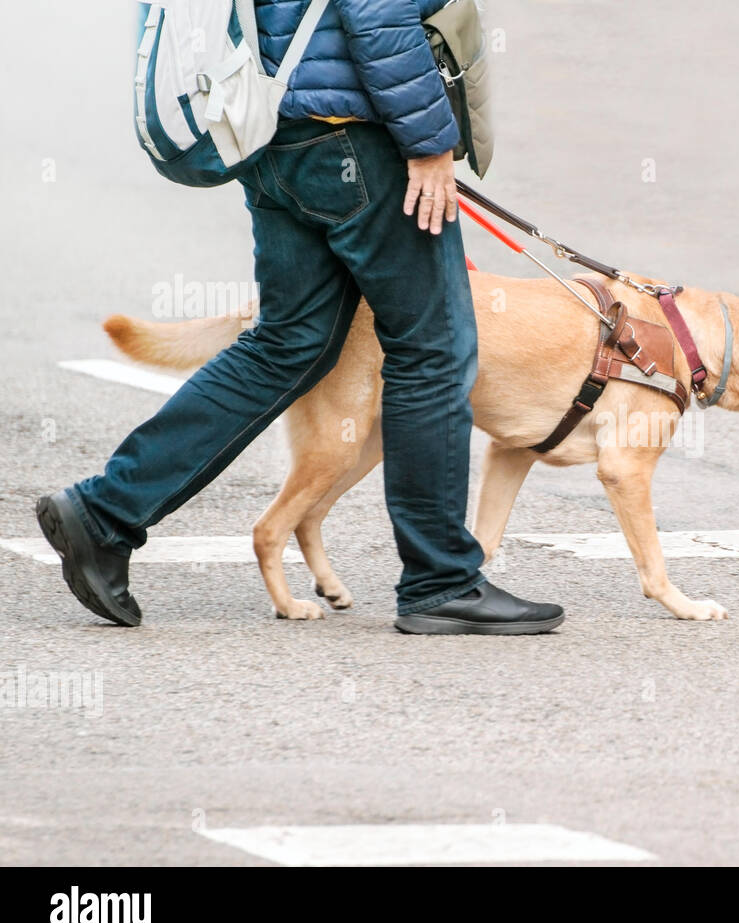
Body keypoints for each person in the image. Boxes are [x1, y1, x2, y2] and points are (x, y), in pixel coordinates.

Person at [36, 0, 564, 635]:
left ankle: (104, 511)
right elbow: (378, 16)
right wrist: (430, 145)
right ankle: (441, 581)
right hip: (357, 137)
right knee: (433, 349)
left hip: (272, 133)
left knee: (286, 344)